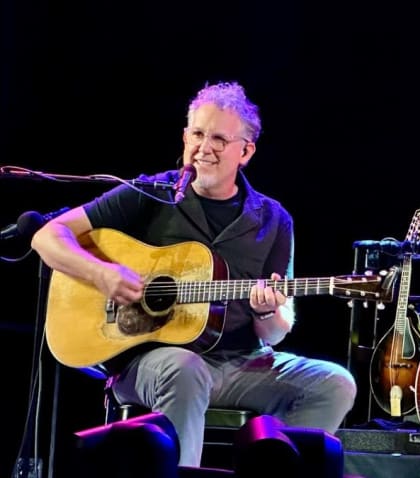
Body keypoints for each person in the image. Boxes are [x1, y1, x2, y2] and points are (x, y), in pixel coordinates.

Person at [31, 81, 357, 467]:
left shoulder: (274, 220)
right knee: (187, 370)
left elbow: (275, 332)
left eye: (219, 138)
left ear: (246, 151)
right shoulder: (150, 193)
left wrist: (267, 312)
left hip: (241, 363)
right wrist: (102, 274)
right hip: (153, 362)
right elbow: (48, 236)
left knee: (335, 383)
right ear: (185, 137)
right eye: (198, 134)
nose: (205, 147)